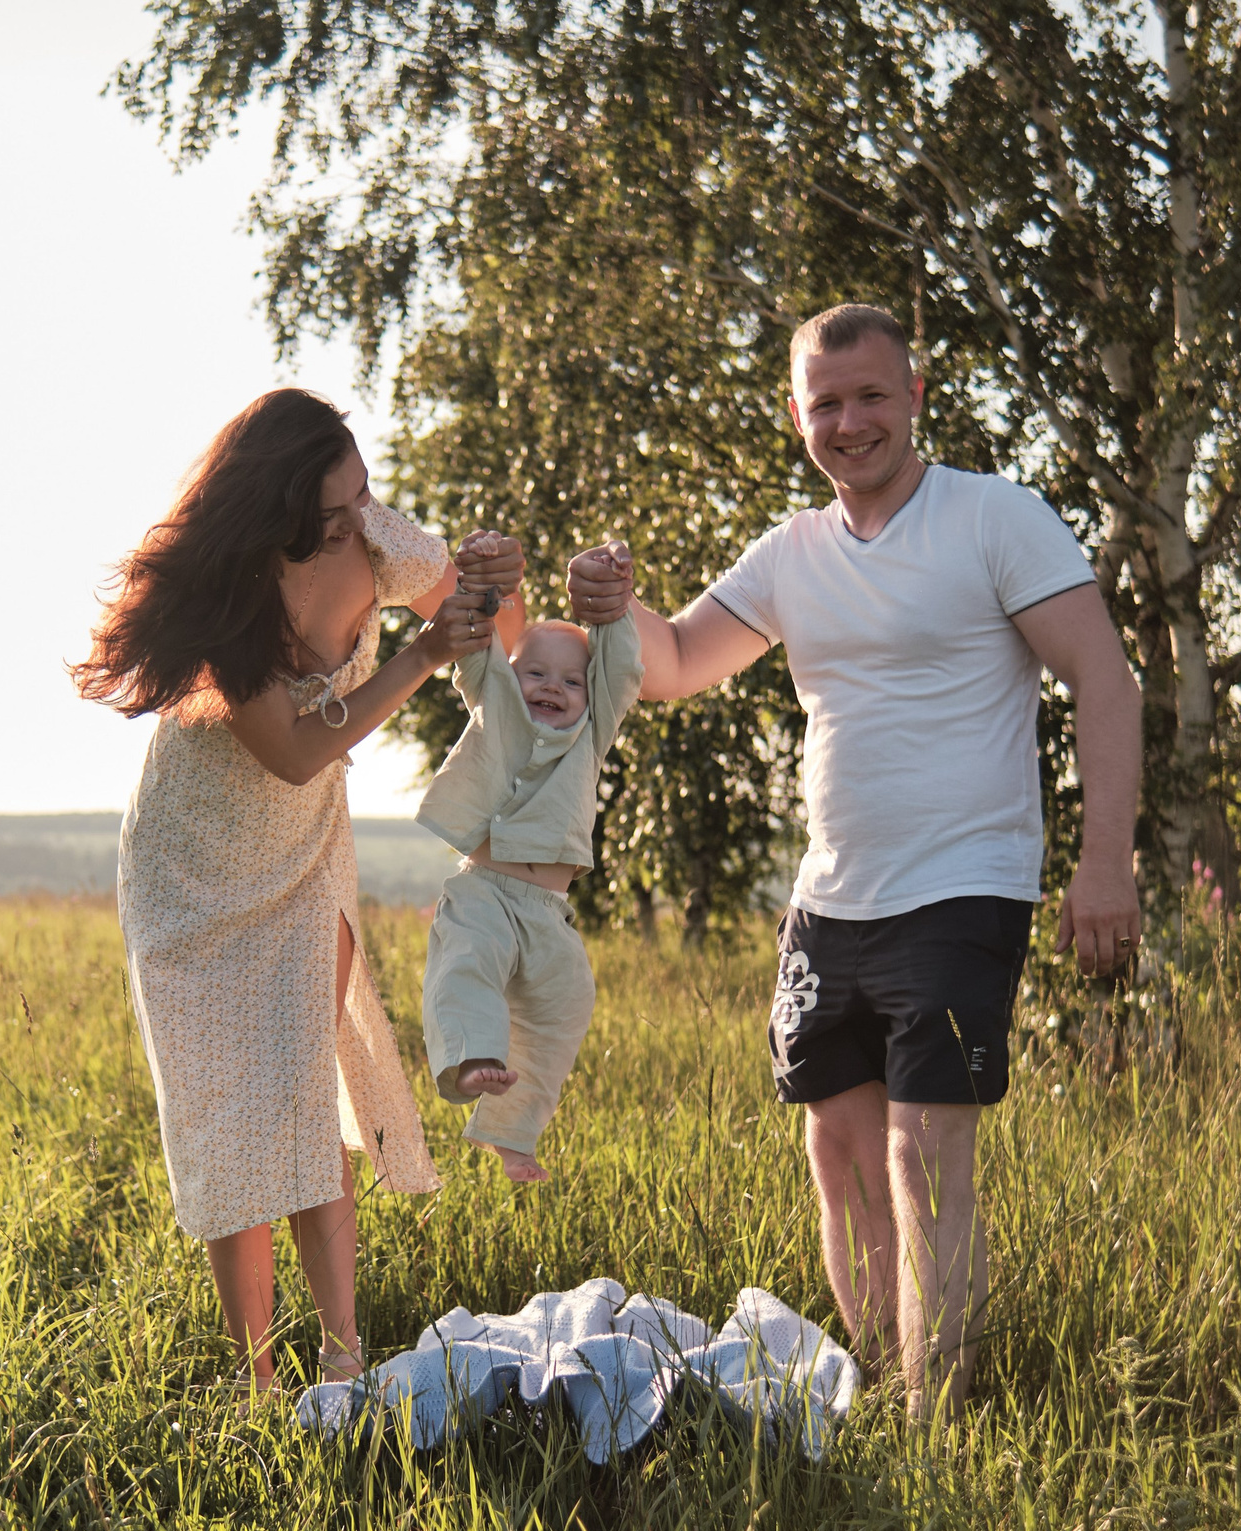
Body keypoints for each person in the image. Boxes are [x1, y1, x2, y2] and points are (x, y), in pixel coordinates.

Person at [566, 304, 1142, 1418]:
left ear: (914, 395)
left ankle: (936, 1422)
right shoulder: (791, 552)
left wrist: (1103, 862)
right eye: (825, 403)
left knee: (924, 1156)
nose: (849, 421)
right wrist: (609, 609)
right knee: (838, 1153)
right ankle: (877, 1393)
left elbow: (1104, 681)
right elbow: (679, 660)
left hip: (963, 888)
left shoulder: (994, 518)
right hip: (829, 903)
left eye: (870, 395)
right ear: (797, 417)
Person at [75, 387, 526, 1394]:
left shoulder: (378, 539)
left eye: (361, 499)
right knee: (227, 1119)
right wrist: (418, 654)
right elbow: (293, 751)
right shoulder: (225, 595)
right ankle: (256, 1378)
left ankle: (343, 1354)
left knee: (296, 1092)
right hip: (189, 873)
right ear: (273, 509)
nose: (354, 523)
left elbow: (503, 626)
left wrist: (498, 583)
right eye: (329, 514)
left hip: (300, 859)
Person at [414, 610, 643, 1183]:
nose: (552, 687)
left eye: (571, 682)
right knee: (468, 965)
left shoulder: (592, 734)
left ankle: (513, 1137)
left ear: (592, 697)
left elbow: (619, 667)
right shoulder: (497, 715)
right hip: (485, 893)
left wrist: (612, 606)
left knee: (562, 1013)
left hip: (549, 916)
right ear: (507, 678)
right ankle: (474, 1060)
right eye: (535, 673)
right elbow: (476, 656)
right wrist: (477, 585)